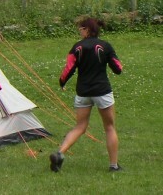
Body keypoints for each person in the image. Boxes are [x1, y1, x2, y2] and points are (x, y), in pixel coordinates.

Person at [50, 17, 123, 173]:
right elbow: (118, 68)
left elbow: (68, 69)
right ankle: (114, 166)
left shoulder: (77, 47)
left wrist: (62, 82)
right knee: (109, 127)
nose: (79, 31)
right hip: (102, 91)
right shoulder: (105, 46)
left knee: (80, 127)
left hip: (83, 92)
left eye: (81, 28)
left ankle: (59, 153)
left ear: (87, 30)